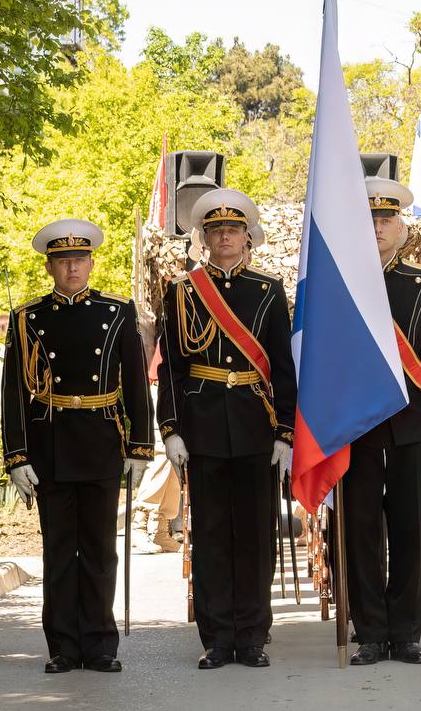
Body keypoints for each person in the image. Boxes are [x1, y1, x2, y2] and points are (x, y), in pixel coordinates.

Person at [1, 219, 153, 674]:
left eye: (80, 260)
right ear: (50, 266)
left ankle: (101, 645)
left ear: (91, 263)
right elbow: (12, 392)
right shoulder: (28, 318)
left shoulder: (118, 312)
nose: (73, 268)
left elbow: (137, 386)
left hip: (102, 443)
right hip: (51, 445)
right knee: (60, 552)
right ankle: (63, 647)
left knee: (101, 549)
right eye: (64, 261)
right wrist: (16, 456)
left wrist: (140, 448)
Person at [157, 189, 297, 670]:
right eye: (216, 230)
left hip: (256, 425)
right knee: (212, 536)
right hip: (203, 427)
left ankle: (253, 635)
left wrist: (285, 434)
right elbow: (172, 368)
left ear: (246, 237)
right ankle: (217, 638)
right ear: (205, 238)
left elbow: (282, 369)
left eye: (232, 230)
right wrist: (171, 428)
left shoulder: (268, 291)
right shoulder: (182, 291)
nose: (224, 237)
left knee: (258, 536)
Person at [345, 177, 421, 666]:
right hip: (357, 429)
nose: (377, 227)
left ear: (400, 227)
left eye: (386, 219)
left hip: (411, 427)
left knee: (410, 532)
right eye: (369, 219)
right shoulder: (341, 282)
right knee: (361, 531)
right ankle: (370, 630)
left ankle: (407, 631)